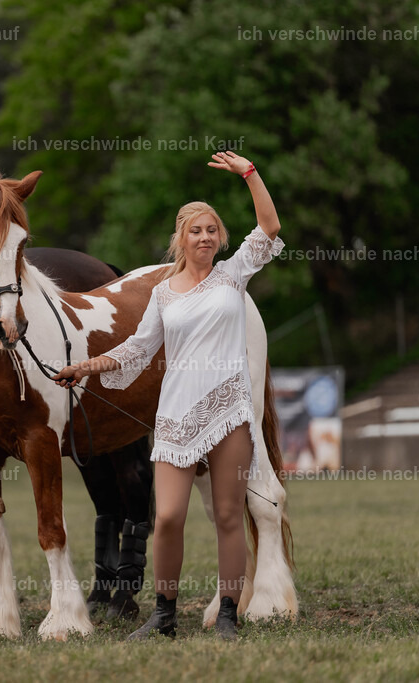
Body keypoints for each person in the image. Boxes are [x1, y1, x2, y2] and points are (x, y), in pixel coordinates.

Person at [52, 151, 284, 641]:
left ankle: (227, 613)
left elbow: (268, 226)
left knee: (226, 513)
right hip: (176, 413)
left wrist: (250, 174)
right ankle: (163, 614)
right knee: (169, 516)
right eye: (195, 230)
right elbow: (137, 347)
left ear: (220, 238)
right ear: (181, 238)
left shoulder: (232, 276)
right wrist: (87, 367)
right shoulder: (163, 293)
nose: (204, 237)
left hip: (229, 411)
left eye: (211, 230)